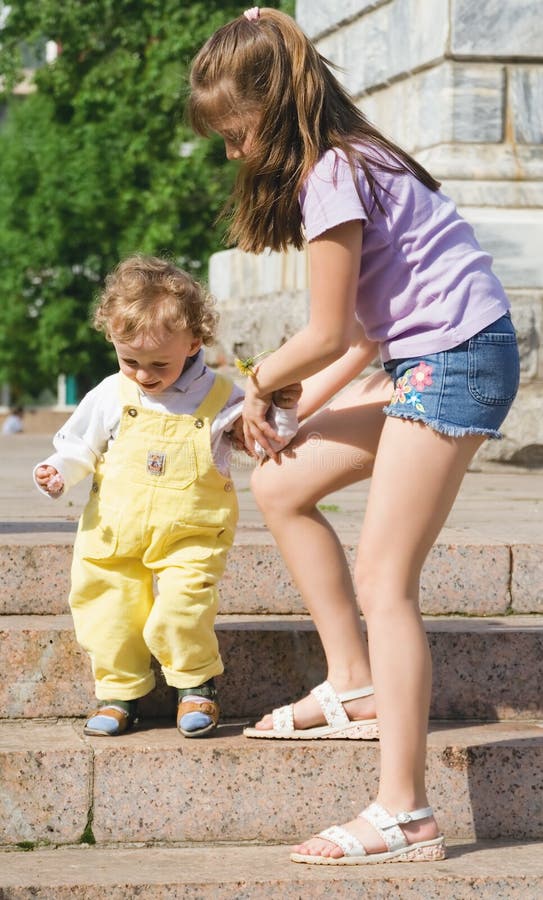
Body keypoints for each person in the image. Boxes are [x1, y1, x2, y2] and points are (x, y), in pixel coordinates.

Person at [188, 6, 520, 865]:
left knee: (384, 577)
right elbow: (369, 330)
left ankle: (405, 812)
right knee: (282, 481)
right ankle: (353, 680)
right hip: (426, 356)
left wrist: (250, 388)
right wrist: (294, 412)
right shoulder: (357, 157)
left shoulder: (334, 175)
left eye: (235, 132)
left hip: (452, 361)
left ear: (275, 105)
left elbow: (328, 334)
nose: (233, 152)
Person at [34, 254, 298, 739]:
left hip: (192, 531)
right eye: (129, 360)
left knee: (181, 609)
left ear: (194, 342)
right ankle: (118, 692)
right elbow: (79, 444)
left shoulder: (219, 397)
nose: (143, 374)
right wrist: (58, 470)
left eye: (159, 363)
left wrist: (280, 406)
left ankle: (196, 684)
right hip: (113, 531)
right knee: (106, 611)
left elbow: (261, 441)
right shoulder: (111, 393)